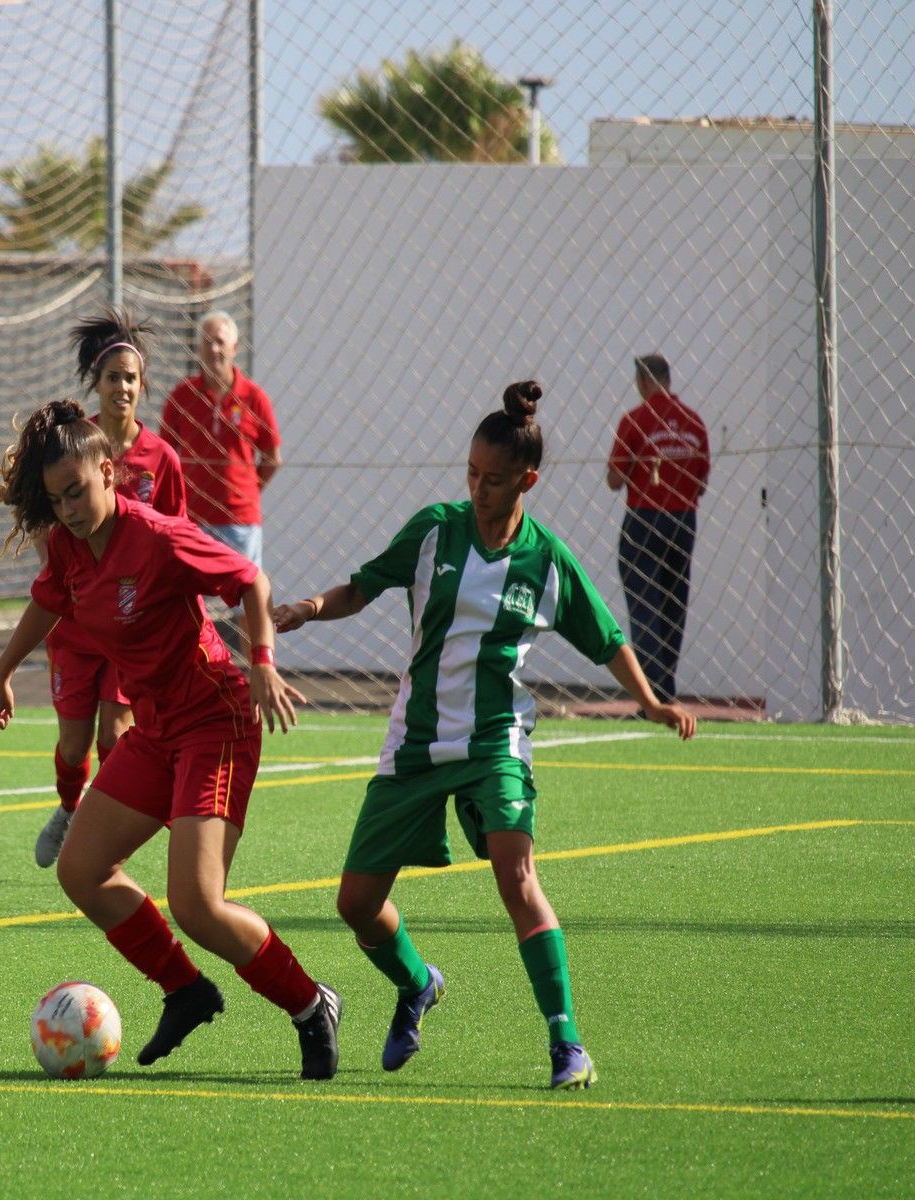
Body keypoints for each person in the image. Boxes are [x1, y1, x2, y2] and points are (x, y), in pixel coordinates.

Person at [274, 381, 696, 1090]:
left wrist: (650, 701)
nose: (478, 488)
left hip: (496, 742)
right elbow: (365, 585)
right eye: (471, 473)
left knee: (516, 873)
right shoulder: (436, 530)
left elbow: (606, 638)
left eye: (493, 480)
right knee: (355, 905)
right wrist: (310, 608)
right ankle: (417, 983)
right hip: (415, 742)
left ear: (527, 481)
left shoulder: (545, 560)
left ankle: (567, 1044)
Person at [0, 398, 342, 1079]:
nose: (68, 510)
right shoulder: (67, 545)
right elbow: (49, 599)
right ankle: (186, 989)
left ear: (110, 473)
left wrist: (262, 662)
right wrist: (2, 670)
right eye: (56, 500)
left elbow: (250, 581)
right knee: (80, 871)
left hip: (215, 721)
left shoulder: (157, 536)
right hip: (156, 731)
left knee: (199, 904)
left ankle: (310, 1003)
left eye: (77, 493)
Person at [32, 308, 188, 869]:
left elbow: (177, 542)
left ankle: (101, 835)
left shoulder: (161, 459)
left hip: (132, 629)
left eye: (131, 377)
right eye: (111, 377)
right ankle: (71, 806)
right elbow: (41, 516)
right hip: (76, 626)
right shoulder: (73, 445)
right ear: (94, 384)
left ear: (142, 386)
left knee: (116, 734)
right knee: (73, 746)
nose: (122, 386)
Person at [159, 312, 281, 652]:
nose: (214, 349)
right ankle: (191, 675)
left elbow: (272, 457)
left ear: (235, 348)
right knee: (184, 601)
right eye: (207, 342)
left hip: (240, 521)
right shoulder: (182, 396)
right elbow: (165, 453)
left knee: (249, 602)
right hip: (191, 521)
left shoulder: (254, 397)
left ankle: (259, 672)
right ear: (197, 348)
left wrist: (247, 489)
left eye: (220, 342)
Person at [606, 354, 710, 703]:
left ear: (645, 381)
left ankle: (652, 694)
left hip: (644, 517)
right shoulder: (694, 423)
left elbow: (614, 480)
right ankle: (667, 684)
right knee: (673, 602)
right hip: (683, 520)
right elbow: (702, 482)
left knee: (643, 603)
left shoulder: (635, 421)